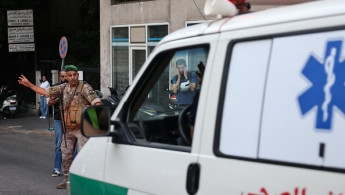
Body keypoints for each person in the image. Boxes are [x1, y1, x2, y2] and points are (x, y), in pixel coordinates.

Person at [18, 65, 101, 189]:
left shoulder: (85, 87)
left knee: (84, 155)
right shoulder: (62, 88)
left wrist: (96, 125)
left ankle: (86, 181)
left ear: (77, 75)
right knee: (66, 155)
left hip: (82, 128)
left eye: (74, 75)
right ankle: (67, 179)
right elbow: (45, 92)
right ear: (66, 77)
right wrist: (29, 85)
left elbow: (97, 103)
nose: (72, 77)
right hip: (68, 129)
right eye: (70, 75)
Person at [48, 70, 67, 177]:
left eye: (66, 76)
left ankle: (73, 169)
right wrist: (58, 99)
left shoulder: (74, 88)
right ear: (60, 78)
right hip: (59, 120)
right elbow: (50, 103)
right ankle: (57, 169)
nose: (65, 78)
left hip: (71, 120)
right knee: (59, 144)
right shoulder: (55, 88)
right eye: (63, 76)